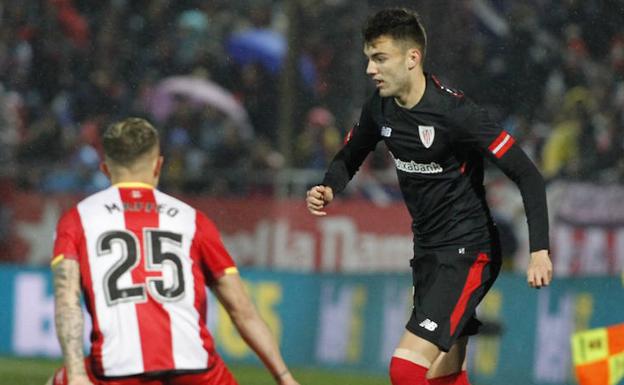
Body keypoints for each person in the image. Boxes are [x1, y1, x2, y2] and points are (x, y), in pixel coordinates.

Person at [305, 8, 553, 385]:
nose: (371, 69)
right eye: (369, 59)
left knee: (405, 369)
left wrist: (540, 250)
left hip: (469, 251)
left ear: (412, 58)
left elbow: (527, 174)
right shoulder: (379, 108)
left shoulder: (455, 113)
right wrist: (329, 186)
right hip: (428, 253)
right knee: (445, 374)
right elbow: (350, 155)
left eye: (380, 58)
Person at [47, 117, 300, 385]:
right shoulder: (192, 220)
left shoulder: (78, 219)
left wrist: (75, 374)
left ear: (106, 169)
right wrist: (284, 377)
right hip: (197, 370)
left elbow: (67, 303)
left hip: (117, 371)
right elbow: (241, 309)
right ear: (158, 166)